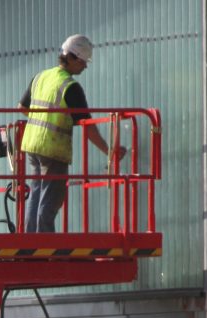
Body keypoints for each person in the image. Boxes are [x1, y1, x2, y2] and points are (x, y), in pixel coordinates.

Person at [18, 34, 127, 233]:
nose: (85, 66)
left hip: (32, 145)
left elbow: (22, 107)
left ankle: (29, 243)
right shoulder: (70, 87)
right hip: (53, 148)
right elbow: (88, 126)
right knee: (51, 199)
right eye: (83, 62)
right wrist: (109, 151)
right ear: (72, 58)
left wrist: (46, 120)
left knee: (36, 194)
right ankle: (44, 246)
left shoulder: (41, 77)